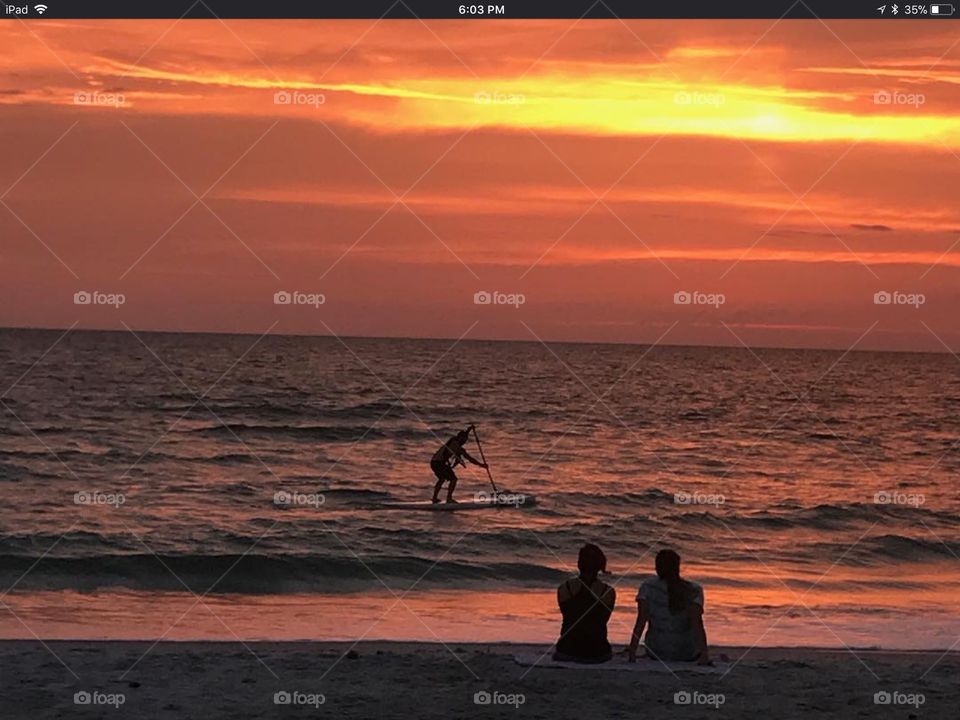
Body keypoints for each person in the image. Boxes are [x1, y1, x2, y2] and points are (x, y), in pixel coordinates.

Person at [627, 548, 710, 664]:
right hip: (686, 652)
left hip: (657, 651)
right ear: (677, 567)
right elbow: (697, 624)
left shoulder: (647, 587)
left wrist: (632, 652)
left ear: (657, 568)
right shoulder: (694, 590)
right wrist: (704, 654)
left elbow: (641, 620)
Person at [553, 543, 616, 663]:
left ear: (579, 564)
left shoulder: (564, 588)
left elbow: (568, 617)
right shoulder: (608, 592)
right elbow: (602, 620)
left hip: (567, 650)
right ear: (600, 566)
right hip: (598, 653)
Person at [430, 427, 487, 503]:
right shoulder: (457, 446)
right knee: (453, 479)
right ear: (459, 438)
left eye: (465, 440)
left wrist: (469, 429)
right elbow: (469, 458)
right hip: (438, 463)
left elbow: (463, 435)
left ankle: (434, 498)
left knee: (442, 479)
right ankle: (449, 499)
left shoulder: (453, 440)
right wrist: (481, 465)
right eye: (463, 439)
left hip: (434, 462)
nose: (464, 441)